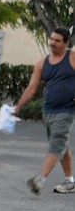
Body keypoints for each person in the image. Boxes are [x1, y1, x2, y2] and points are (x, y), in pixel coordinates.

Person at [13, 26, 75, 195]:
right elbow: (32, 88)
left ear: (66, 43)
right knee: (62, 145)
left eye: (57, 40)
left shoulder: (72, 57)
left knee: (57, 145)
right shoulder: (42, 63)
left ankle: (40, 180)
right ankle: (70, 181)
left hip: (67, 110)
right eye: (51, 39)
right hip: (48, 111)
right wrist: (17, 108)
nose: (52, 43)